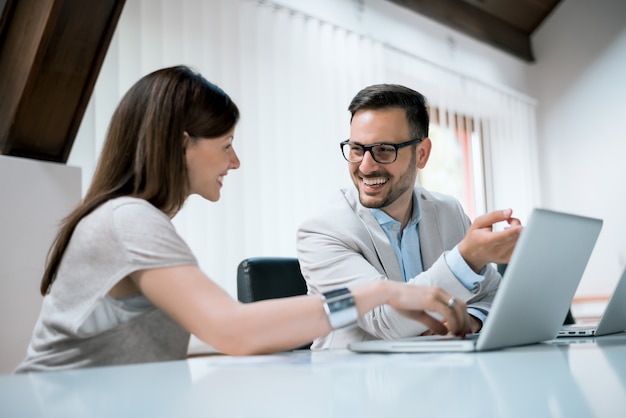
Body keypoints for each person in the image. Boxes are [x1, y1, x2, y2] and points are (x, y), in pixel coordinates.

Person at [15, 67, 471, 373]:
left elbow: (220, 332)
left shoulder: (135, 220)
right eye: (226, 143)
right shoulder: (127, 222)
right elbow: (233, 329)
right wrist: (378, 292)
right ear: (182, 143)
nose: (235, 162)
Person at [297, 83, 523, 350]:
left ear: (422, 153)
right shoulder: (323, 232)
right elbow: (383, 320)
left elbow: (492, 294)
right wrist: (467, 259)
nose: (366, 166)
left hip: (439, 376)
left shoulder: (448, 212)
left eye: (384, 150)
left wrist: (471, 320)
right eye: (357, 149)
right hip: (358, 382)